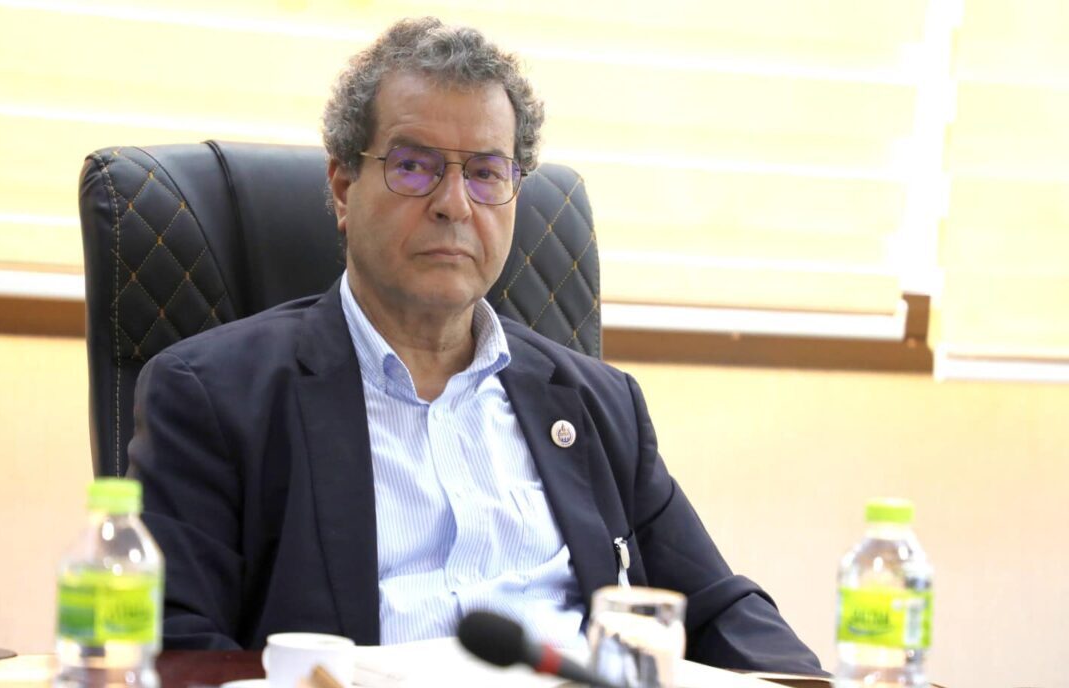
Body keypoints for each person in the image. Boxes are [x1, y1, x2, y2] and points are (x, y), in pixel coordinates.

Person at [127, 16, 822, 673]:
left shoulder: (597, 403)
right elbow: (179, 651)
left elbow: (718, 609)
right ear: (342, 188)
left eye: (486, 172)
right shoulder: (213, 396)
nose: (454, 204)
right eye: (414, 166)